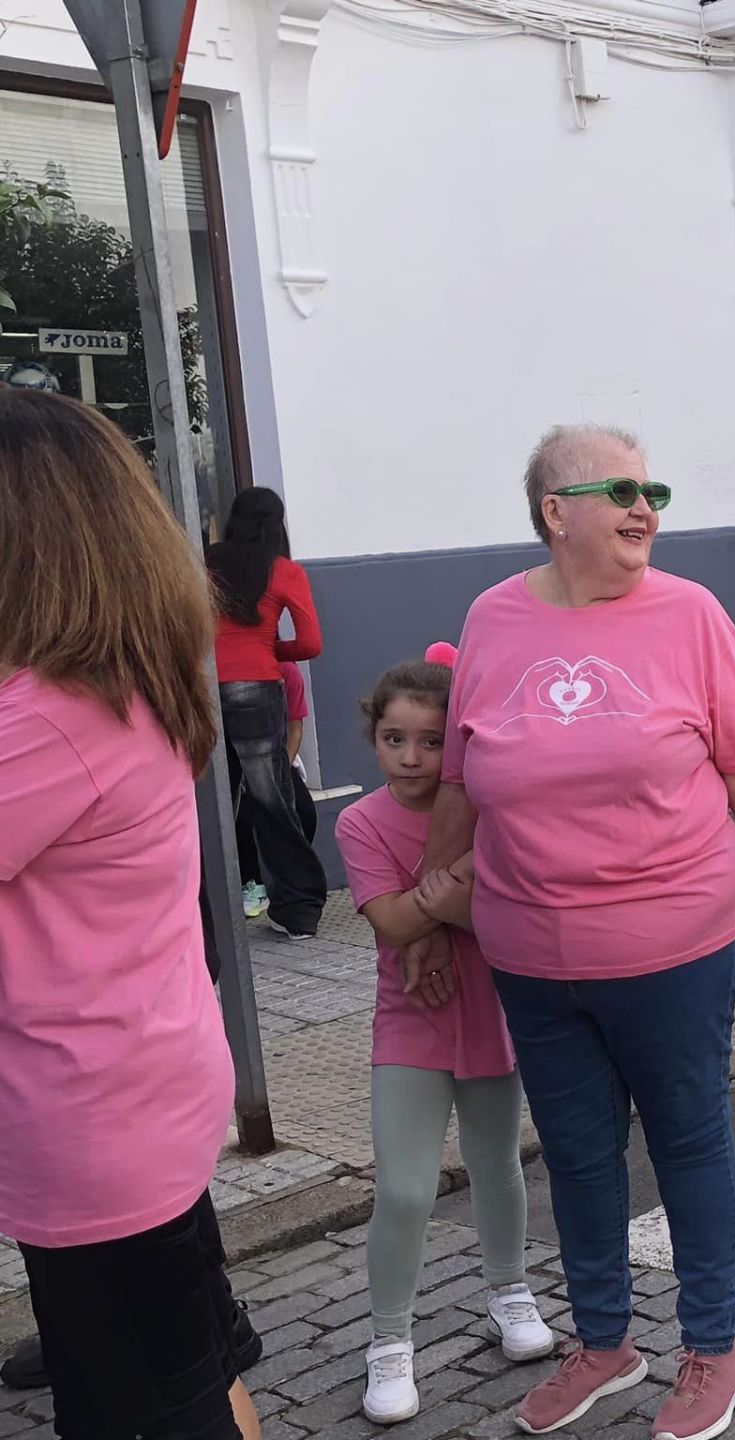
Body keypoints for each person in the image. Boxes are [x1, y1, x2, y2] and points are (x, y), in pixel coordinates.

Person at [414, 425, 735, 1440]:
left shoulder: (688, 616)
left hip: (675, 951)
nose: (647, 510)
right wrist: (427, 909)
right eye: (622, 491)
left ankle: (716, 1349)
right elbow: (463, 779)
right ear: (557, 514)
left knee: (688, 1144)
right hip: (530, 956)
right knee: (580, 1155)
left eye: (655, 492)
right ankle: (604, 1345)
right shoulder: (491, 617)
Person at [0, 388, 262, 1440]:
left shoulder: (46, 718)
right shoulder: (118, 681)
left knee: (142, 1410)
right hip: (135, 1084)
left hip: (87, 1113)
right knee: (191, 1363)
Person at [335, 654, 552, 1425]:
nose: (412, 758)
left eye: (430, 743)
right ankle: (388, 1339)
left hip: (488, 1008)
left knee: (498, 1164)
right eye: (395, 739)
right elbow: (389, 923)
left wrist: (425, 912)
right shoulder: (359, 821)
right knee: (404, 1188)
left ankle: (509, 1289)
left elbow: (491, 909)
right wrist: (439, 904)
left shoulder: (487, 813)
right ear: (374, 738)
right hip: (410, 1020)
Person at [207, 487, 328, 937]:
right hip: (256, 690)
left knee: (208, 798)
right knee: (271, 799)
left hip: (203, 687)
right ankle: (297, 909)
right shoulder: (284, 571)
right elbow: (312, 643)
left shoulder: (208, 563)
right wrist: (269, 647)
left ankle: (207, 910)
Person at [237, 659, 318, 920]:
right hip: (235, 758)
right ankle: (253, 883)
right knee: (241, 816)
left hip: (277, 757)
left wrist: (278, 771)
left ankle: (295, 879)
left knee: (304, 810)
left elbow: (295, 729)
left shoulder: (288, 672)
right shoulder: (229, 673)